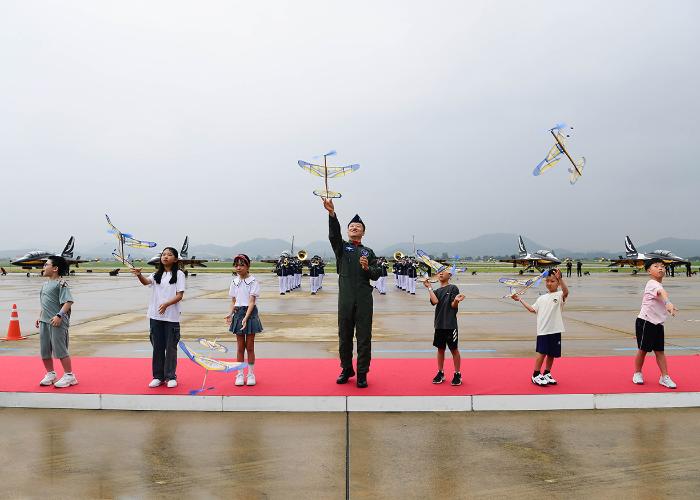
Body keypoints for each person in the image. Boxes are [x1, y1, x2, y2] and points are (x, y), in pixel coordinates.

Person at [323, 198, 382, 388]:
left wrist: (366, 268)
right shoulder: (342, 248)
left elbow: (377, 274)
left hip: (364, 300)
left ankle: (362, 373)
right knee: (344, 336)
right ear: (348, 231)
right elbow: (334, 236)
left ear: (363, 232)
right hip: (346, 300)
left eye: (358, 226)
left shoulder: (369, 252)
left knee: (364, 337)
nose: (354, 227)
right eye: (351, 226)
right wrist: (332, 214)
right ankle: (346, 368)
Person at [131, 247, 186, 388]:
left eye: (169, 254)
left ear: (175, 259)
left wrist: (167, 304)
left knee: (171, 347)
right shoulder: (156, 275)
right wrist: (139, 275)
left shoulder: (179, 274)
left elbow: (179, 295)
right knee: (158, 347)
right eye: (163, 254)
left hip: (171, 318)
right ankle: (158, 376)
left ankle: (170, 376)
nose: (165, 257)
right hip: (155, 316)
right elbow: (146, 282)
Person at [512, 269, 569, 386]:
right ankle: (536, 374)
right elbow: (532, 309)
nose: (549, 283)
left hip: (555, 329)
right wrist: (520, 300)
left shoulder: (559, 295)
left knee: (552, 354)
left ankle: (547, 373)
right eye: (547, 281)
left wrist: (561, 279)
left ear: (557, 283)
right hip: (543, 330)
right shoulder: (541, 298)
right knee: (541, 353)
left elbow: (566, 291)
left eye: (552, 281)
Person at [633, 258, 678, 388]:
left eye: (662, 266)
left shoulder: (658, 284)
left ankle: (664, 377)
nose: (660, 268)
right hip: (645, 321)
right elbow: (661, 293)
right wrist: (668, 303)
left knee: (660, 351)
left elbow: (662, 293)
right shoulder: (652, 283)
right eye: (656, 266)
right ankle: (637, 373)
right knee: (643, 350)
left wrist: (668, 304)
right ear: (649, 271)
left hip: (658, 323)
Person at [36, 256, 76, 388]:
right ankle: (51, 374)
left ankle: (69, 376)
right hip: (44, 321)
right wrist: (40, 316)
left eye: (46, 265)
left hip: (57, 321)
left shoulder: (61, 283)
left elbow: (68, 301)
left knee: (60, 350)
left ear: (55, 268)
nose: (44, 267)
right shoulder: (45, 284)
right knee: (45, 351)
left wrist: (59, 315)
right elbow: (44, 303)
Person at [423, 267, 465, 385]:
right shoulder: (436, 291)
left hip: (450, 325)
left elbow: (453, 306)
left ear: (450, 274)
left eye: (444, 271)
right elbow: (435, 301)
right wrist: (429, 287)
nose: (440, 273)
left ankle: (457, 374)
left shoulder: (453, 288)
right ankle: (440, 372)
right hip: (439, 324)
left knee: (454, 349)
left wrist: (456, 300)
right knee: (440, 349)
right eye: (439, 271)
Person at [226, 254, 263, 386]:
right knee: (240, 347)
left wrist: (246, 317)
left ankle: (251, 373)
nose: (238, 267)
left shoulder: (253, 281)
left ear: (248, 266)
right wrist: (230, 314)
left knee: (250, 347)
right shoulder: (234, 281)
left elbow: (252, 301)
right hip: (238, 313)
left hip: (250, 313)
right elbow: (234, 300)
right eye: (236, 265)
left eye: (242, 265)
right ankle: (240, 374)